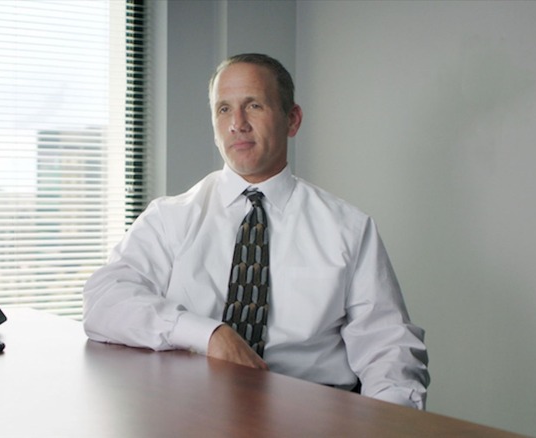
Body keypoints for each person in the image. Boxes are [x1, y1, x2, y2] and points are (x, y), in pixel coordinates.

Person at [83, 53, 430, 409]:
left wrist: (392, 424)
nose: (237, 123)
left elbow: (389, 351)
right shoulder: (171, 218)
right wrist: (210, 334)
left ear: (292, 119)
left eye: (254, 106)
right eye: (223, 109)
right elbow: (104, 301)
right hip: (191, 413)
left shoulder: (348, 229)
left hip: (308, 416)